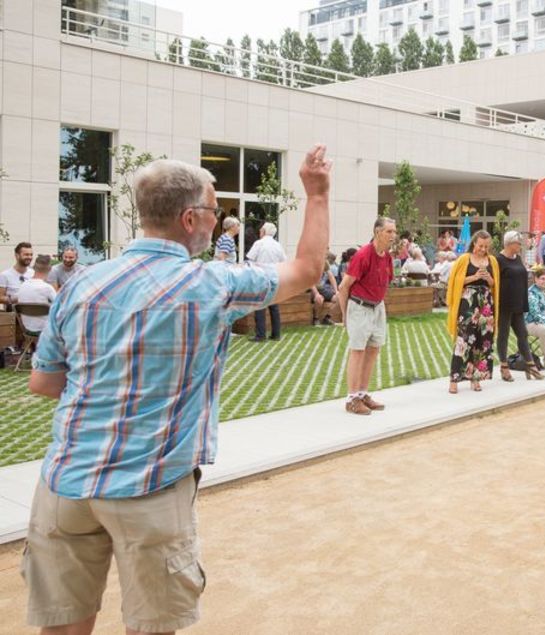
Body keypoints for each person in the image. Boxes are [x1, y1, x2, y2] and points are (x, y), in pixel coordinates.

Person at [23, 146, 331, 635]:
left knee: (61, 628)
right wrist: (316, 194)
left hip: (65, 483)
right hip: (150, 488)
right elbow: (308, 269)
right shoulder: (211, 284)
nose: (217, 220)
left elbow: (44, 382)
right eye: (213, 211)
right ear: (190, 218)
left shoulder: (82, 284)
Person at [338, 217, 397, 415]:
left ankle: (362, 393)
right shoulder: (363, 255)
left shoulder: (387, 256)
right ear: (377, 232)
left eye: (394, 232)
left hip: (377, 308)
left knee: (373, 350)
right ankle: (352, 399)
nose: (393, 236)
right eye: (389, 232)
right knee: (358, 351)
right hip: (360, 308)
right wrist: (346, 315)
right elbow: (343, 286)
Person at [445, 231, 500, 393]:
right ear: (474, 243)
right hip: (468, 302)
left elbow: (494, 284)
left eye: (486, 246)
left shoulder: (492, 261)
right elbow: (454, 281)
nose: (483, 249)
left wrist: (488, 278)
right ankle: (454, 379)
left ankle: (476, 378)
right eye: (480, 245)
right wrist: (474, 277)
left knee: (483, 341)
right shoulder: (464, 259)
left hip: (486, 304)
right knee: (463, 340)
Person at [497, 230, 545, 381]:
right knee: (503, 335)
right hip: (504, 304)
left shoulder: (518, 258)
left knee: (522, 334)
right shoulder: (498, 260)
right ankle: (504, 367)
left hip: (518, 303)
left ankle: (530, 365)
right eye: (518, 243)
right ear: (510, 243)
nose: (520, 246)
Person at [246, 222, 287, 342]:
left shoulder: (259, 243)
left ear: (264, 231)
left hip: (261, 277)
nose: (259, 232)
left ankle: (260, 334)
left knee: (260, 306)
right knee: (274, 307)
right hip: (274, 278)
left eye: (260, 230)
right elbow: (284, 262)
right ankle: (276, 334)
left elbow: (250, 259)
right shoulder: (278, 245)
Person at [16, 254, 56, 334]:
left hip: (27, 329)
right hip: (45, 331)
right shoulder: (47, 288)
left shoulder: (23, 285)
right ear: (50, 269)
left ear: (34, 267)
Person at [311, 255, 339, 326]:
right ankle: (316, 319)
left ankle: (327, 318)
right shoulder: (311, 263)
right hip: (311, 289)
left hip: (322, 288)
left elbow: (331, 277)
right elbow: (310, 282)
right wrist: (316, 294)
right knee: (319, 299)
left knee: (339, 298)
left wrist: (336, 291)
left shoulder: (325, 262)